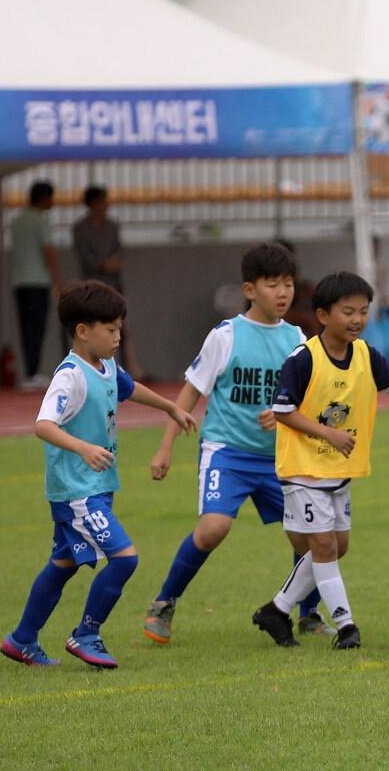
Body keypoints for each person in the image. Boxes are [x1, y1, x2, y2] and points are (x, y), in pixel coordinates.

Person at [144, 243, 333, 644]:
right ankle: (164, 603)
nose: (283, 293)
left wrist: (286, 414)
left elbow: (309, 397)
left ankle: (308, 613)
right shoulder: (226, 336)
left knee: (310, 537)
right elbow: (191, 392)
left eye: (288, 284)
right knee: (213, 528)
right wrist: (165, 447)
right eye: (272, 284)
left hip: (280, 456)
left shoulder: (297, 338)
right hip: (227, 452)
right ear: (249, 289)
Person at [0, 281, 196, 668]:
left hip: (96, 487)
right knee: (124, 558)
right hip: (76, 491)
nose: (118, 336)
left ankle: (21, 639)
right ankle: (86, 633)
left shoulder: (104, 366)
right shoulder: (70, 376)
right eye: (110, 329)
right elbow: (44, 425)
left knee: (62, 565)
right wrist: (83, 447)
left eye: (120, 328)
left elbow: (128, 387)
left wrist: (170, 407)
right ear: (83, 331)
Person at [251, 272, 389, 650]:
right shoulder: (303, 359)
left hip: (338, 471)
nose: (357, 319)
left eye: (363, 311)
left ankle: (277, 609)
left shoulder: (365, 354)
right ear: (322, 315)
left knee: (337, 546)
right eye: (347, 311)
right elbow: (283, 411)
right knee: (325, 548)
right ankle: (347, 626)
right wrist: (329, 433)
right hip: (302, 468)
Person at [72, 185, 146, 379]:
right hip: (91, 287)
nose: (106, 205)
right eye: (102, 200)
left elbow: (119, 252)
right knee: (93, 328)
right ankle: (90, 367)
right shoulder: (80, 228)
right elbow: (84, 257)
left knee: (120, 327)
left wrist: (113, 263)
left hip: (112, 285)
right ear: (94, 203)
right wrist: (103, 264)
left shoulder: (112, 226)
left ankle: (126, 369)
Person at [9, 181, 63, 390]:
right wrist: (57, 280)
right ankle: (33, 373)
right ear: (43, 198)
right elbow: (47, 250)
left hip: (20, 282)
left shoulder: (17, 220)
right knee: (37, 327)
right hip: (38, 281)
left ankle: (30, 371)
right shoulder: (41, 220)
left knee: (25, 328)